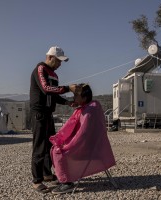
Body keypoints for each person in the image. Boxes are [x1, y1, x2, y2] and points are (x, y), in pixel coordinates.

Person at [49, 84, 116, 194]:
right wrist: (61, 139)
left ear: (84, 98)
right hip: (91, 145)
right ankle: (64, 178)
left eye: (76, 96)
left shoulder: (89, 111)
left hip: (89, 148)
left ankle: (67, 183)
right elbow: (73, 128)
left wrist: (68, 145)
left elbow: (82, 134)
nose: (73, 98)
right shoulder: (90, 106)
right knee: (56, 147)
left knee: (58, 152)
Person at [29, 46, 78, 193]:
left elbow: (54, 95)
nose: (60, 64)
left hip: (49, 114)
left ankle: (47, 174)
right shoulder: (40, 69)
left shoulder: (54, 75)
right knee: (39, 147)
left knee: (50, 146)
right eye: (58, 61)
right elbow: (46, 89)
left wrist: (68, 102)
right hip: (39, 113)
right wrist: (69, 88)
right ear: (50, 57)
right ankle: (37, 180)